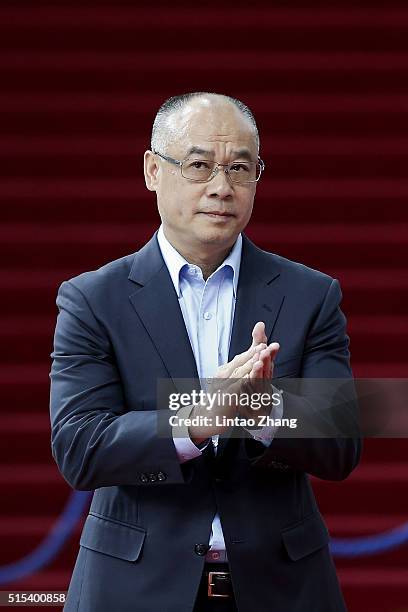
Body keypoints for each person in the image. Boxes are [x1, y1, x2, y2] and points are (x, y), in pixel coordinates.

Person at [49, 92, 361, 612]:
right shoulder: (93, 299)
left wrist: (262, 411)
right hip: (134, 591)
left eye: (241, 168)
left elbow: (341, 443)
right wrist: (198, 417)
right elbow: (79, 447)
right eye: (199, 165)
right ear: (153, 170)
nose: (222, 187)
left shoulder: (311, 295)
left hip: (283, 589)